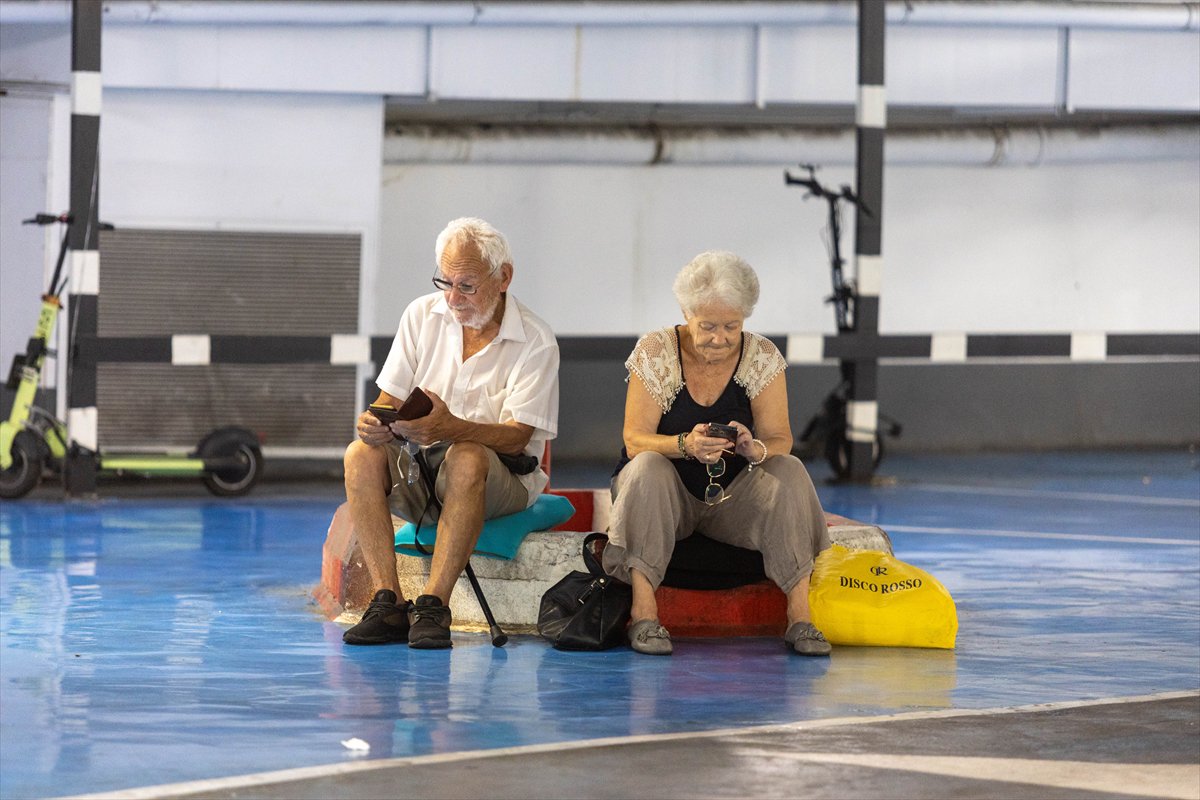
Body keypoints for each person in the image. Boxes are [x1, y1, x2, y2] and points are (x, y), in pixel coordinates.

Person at [341, 217, 559, 648]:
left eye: (467, 286)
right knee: (359, 454)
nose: (453, 298)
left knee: (467, 456)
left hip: (503, 477)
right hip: (423, 467)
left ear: (504, 278)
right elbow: (388, 399)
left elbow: (517, 438)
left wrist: (451, 428)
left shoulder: (536, 340)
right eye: (446, 282)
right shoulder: (421, 315)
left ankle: (434, 606)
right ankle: (388, 602)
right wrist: (374, 422)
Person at [604, 250, 832, 657]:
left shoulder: (761, 356)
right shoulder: (656, 351)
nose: (720, 338)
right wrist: (684, 445)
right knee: (648, 466)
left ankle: (800, 617)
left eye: (732, 326)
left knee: (790, 469)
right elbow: (635, 439)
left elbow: (780, 438)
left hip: (731, 499)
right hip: (664, 497)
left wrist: (754, 448)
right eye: (707, 326)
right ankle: (643, 614)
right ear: (685, 313)